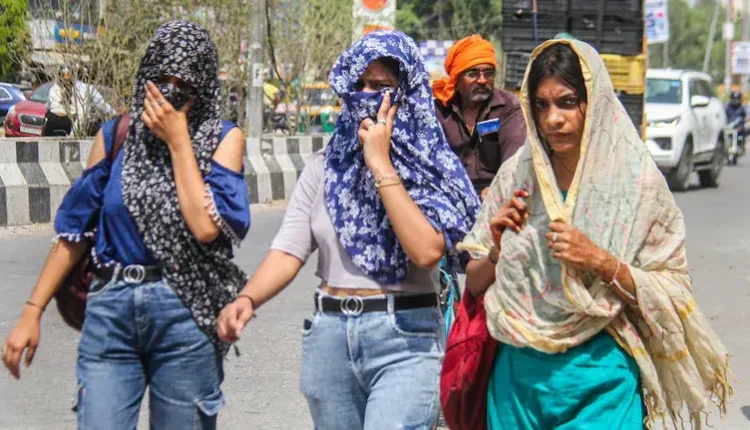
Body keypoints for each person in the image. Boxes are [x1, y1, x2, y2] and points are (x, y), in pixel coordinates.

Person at [460, 39, 731, 429]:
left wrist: (600, 261)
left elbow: (673, 286)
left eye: (567, 102)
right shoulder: (517, 176)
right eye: (541, 105)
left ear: (596, 101)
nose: (553, 119)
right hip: (517, 387)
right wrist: (497, 251)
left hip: (602, 386)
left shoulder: (635, 183)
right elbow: (474, 283)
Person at [216, 30, 480, 430]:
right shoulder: (326, 166)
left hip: (406, 340)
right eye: (359, 85)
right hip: (330, 339)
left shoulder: (430, 169)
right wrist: (247, 299)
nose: (366, 96)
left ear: (406, 93)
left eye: (380, 86)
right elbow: (288, 250)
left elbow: (426, 251)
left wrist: (381, 164)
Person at [2, 21, 250, 429]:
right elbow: (74, 233)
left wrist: (179, 142)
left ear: (202, 88)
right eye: (162, 80)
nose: (170, 92)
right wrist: (32, 312)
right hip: (112, 309)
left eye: (184, 85)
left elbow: (206, 227)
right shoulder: (116, 135)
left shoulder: (223, 140)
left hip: (186, 313)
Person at [433, 35, 527, 199]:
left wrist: (497, 189)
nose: (482, 80)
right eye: (473, 73)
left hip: (495, 194)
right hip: (447, 195)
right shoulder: (439, 110)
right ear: (457, 78)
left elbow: (515, 160)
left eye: (488, 73)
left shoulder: (507, 107)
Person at [45, 65, 116, 137]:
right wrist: (73, 135)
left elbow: (48, 106)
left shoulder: (54, 88)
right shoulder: (83, 89)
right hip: (70, 122)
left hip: (55, 122)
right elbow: (86, 113)